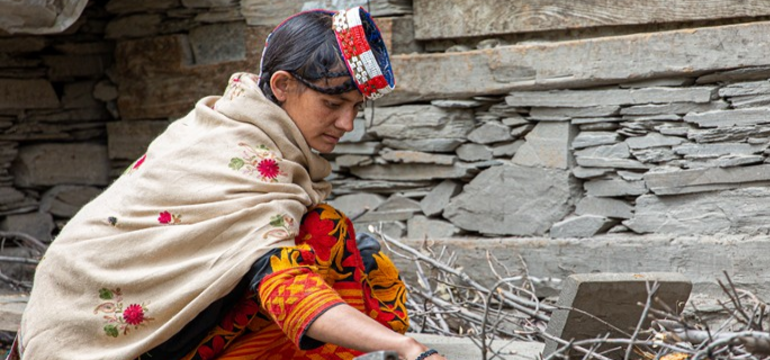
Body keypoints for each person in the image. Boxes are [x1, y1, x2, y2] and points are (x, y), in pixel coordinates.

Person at [12, 7, 446, 360]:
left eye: (355, 108)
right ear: (282, 85)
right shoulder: (235, 153)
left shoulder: (241, 128)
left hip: (136, 312)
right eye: (333, 103)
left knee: (350, 248)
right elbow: (279, 278)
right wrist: (401, 347)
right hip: (86, 328)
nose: (347, 123)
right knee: (322, 232)